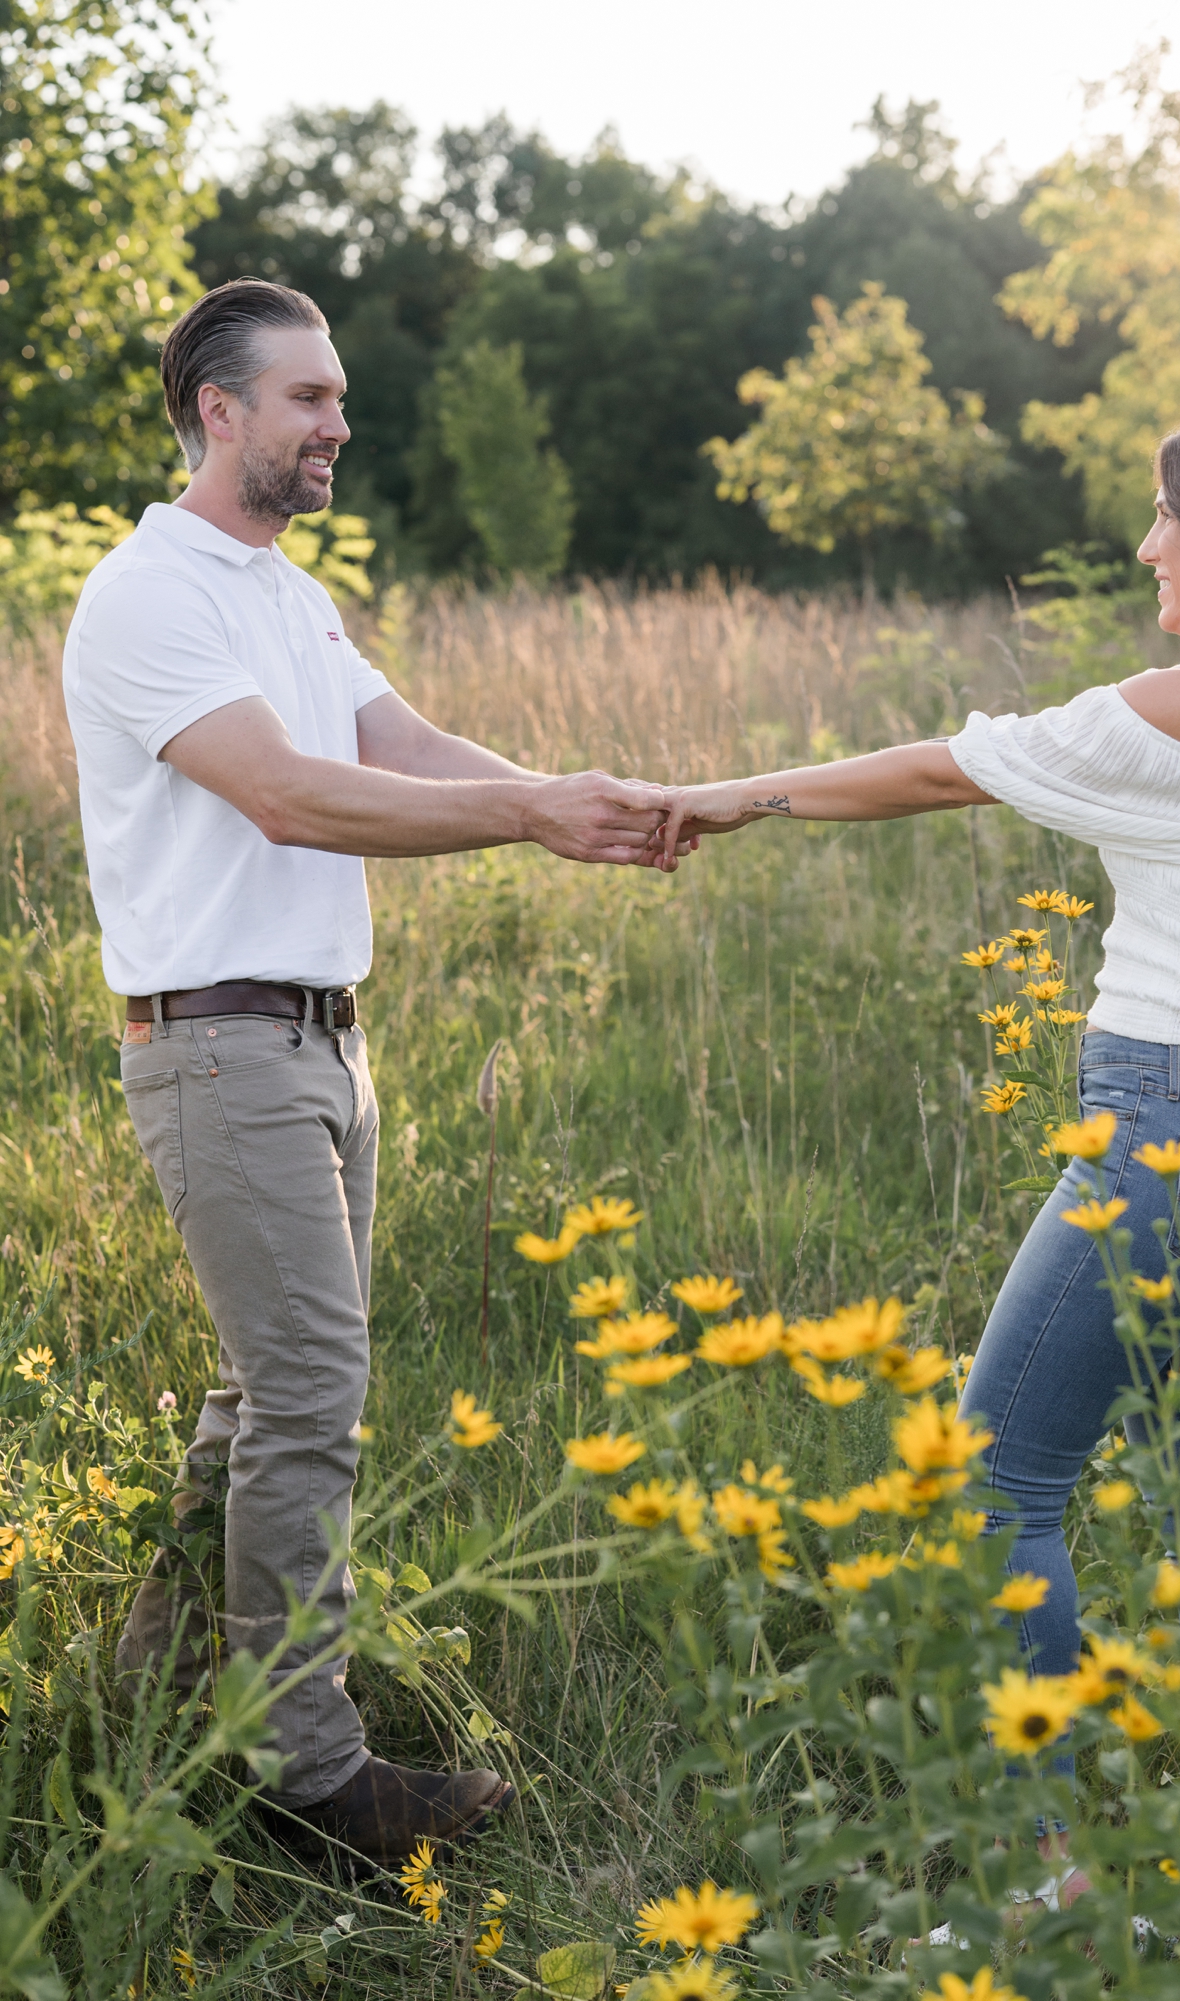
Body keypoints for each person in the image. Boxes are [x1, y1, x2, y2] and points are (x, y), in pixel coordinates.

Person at [655, 399, 1180, 1930]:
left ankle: (1056, 1870)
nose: (1148, 544)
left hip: (1159, 1126)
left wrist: (728, 796)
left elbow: (953, 767)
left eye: (1166, 515)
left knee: (988, 1479)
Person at [63, 277, 683, 1870]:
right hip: (216, 1041)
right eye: (312, 399)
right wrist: (537, 816)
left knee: (265, 1386)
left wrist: (578, 801)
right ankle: (310, 1772)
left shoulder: (284, 590)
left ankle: (152, 1679)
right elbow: (286, 794)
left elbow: (395, 748)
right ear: (221, 411)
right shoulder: (152, 593)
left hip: (323, 1036)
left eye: (338, 397)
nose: (342, 421)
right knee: (313, 1392)